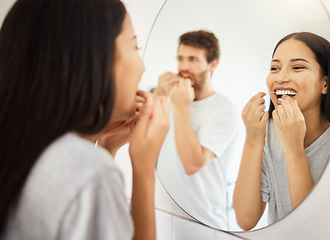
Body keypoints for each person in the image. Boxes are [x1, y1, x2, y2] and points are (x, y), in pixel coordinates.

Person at [0, 0, 169, 240]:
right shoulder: (90, 172)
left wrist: (106, 147)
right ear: (95, 58)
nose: (142, 67)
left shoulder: (20, 145)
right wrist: (144, 168)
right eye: (135, 47)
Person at [233, 32, 330, 231]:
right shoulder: (268, 132)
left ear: (325, 83)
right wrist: (253, 140)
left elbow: (310, 230)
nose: (281, 78)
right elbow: (245, 220)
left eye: (298, 67)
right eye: (274, 68)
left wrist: (293, 149)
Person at [154, 30, 242, 230]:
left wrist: (180, 107)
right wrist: (159, 94)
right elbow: (146, 145)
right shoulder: (171, 98)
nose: (184, 67)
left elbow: (192, 164)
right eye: (180, 58)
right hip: (164, 218)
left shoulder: (225, 110)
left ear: (213, 64)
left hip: (204, 225)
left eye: (193, 59)